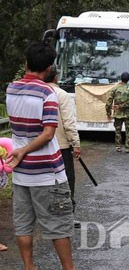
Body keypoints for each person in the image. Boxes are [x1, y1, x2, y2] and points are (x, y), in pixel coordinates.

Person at [6, 42, 99, 270]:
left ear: (26, 64)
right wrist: (25, 150)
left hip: (21, 172)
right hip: (47, 171)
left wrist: (19, 152)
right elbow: (48, 134)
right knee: (59, 223)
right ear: (49, 69)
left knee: (24, 224)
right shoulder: (48, 93)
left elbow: (19, 128)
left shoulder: (11, 88)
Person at [46, 66, 81, 223]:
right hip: (61, 147)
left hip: (41, 147)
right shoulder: (61, 95)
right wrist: (76, 143)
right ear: (55, 77)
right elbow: (68, 123)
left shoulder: (38, 93)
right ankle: (67, 216)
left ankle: (46, 213)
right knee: (66, 181)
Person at [105, 72, 129, 153]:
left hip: (117, 114)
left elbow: (108, 102)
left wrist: (108, 113)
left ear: (121, 78)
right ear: (128, 79)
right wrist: (121, 106)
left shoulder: (115, 89)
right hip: (127, 113)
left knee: (118, 131)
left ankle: (118, 147)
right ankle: (128, 148)